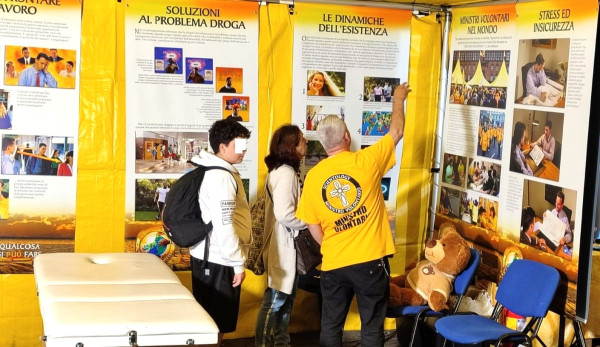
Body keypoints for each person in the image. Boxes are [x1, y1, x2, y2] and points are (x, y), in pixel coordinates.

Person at [296, 82, 410, 347]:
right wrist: (398, 98)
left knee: (331, 327)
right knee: (372, 327)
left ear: (323, 144)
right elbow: (396, 130)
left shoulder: (313, 177)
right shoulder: (367, 161)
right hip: (370, 262)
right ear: (347, 136)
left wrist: (328, 246)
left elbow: (311, 221)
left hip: (334, 263)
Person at [189, 119, 251, 344]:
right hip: (217, 260)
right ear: (222, 147)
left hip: (208, 256)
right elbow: (225, 226)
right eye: (239, 145)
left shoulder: (211, 169)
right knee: (215, 326)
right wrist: (237, 263)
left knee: (210, 324)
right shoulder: (222, 177)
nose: (244, 151)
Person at [255, 124, 307, 347]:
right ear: (292, 146)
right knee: (276, 300)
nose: (306, 142)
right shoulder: (286, 173)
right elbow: (285, 214)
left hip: (284, 244)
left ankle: (281, 344)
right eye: (302, 139)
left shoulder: (282, 171)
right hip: (283, 245)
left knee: (283, 301)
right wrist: (309, 223)